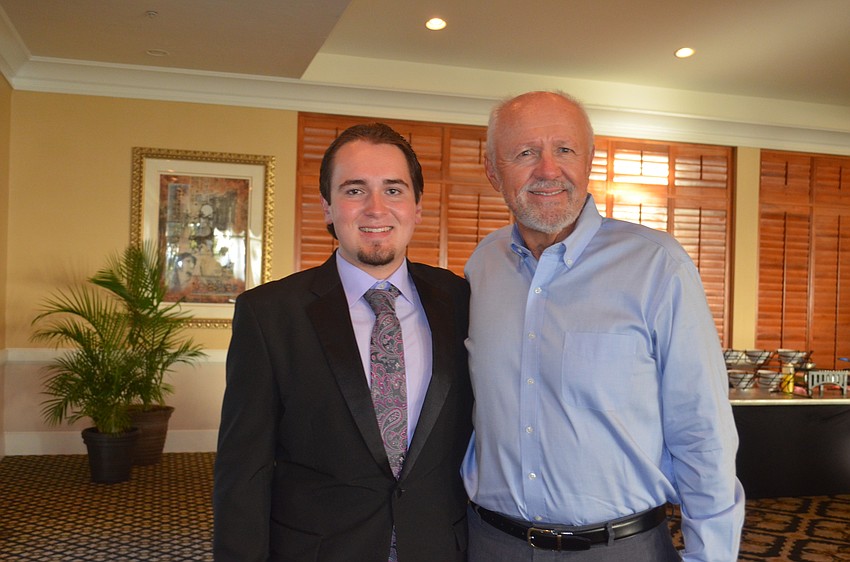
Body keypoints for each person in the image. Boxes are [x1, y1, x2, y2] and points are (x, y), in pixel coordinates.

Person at [461, 91, 745, 561]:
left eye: (565, 150)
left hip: (620, 548)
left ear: (590, 159)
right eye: (525, 153)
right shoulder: (482, 265)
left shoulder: (658, 265)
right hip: (491, 543)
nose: (548, 170)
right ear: (493, 170)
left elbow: (702, 433)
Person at [213, 122, 473, 562]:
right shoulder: (270, 314)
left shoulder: (463, 301)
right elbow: (244, 472)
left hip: (439, 546)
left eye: (393, 190)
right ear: (328, 208)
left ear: (417, 207)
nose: (376, 208)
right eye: (354, 191)